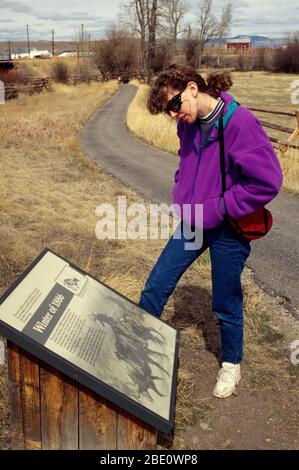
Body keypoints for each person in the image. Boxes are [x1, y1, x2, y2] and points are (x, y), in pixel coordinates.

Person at [138, 64, 283, 398]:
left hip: (228, 228)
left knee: (225, 299)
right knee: (158, 282)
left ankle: (231, 365)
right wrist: (181, 194)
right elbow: (186, 163)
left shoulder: (238, 123)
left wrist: (217, 207)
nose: (174, 115)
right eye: (168, 112)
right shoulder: (188, 126)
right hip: (193, 221)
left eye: (174, 105)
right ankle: (136, 339)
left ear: (192, 88)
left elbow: (268, 182)